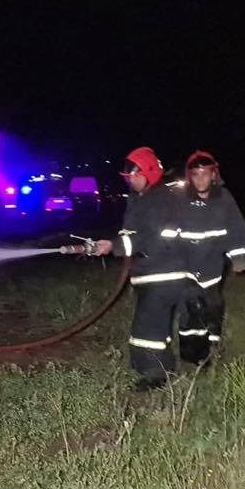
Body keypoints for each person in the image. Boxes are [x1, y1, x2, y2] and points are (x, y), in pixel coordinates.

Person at [92, 146, 189, 390]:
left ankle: (156, 376)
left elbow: (154, 238)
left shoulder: (162, 199)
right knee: (149, 325)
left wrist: (114, 246)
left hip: (165, 272)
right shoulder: (140, 199)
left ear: (150, 173)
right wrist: (112, 244)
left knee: (149, 327)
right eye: (128, 178)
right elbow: (133, 233)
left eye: (135, 176)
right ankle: (152, 368)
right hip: (149, 271)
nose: (131, 181)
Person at [173, 150, 245, 366]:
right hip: (185, 266)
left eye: (205, 174)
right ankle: (191, 354)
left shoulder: (224, 198)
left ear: (213, 175)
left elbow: (236, 227)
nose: (200, 179)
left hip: (213, 266)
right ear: (189, 177)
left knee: (213, 306)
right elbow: (167, 229)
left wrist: (238, 258)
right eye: (195, 174)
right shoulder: (180, 199)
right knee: (191, 306)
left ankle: (212, 349)